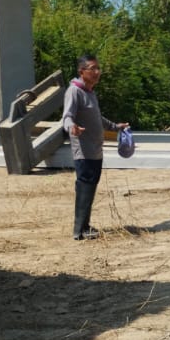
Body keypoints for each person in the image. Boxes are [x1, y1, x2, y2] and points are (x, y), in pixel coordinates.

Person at [61, 53, 128, 240]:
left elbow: (97, 117)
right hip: (84, 150)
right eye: (93, 69)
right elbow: (67, 117)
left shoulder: (90, 92)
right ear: (81, 71)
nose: (97, 72)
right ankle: (79, 230)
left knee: (90, 187)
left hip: (95, 150)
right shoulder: (74, 91)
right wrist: (72, 127)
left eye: (98, 68)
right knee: (85, 186)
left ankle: (85, 226)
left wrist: (115, 127)